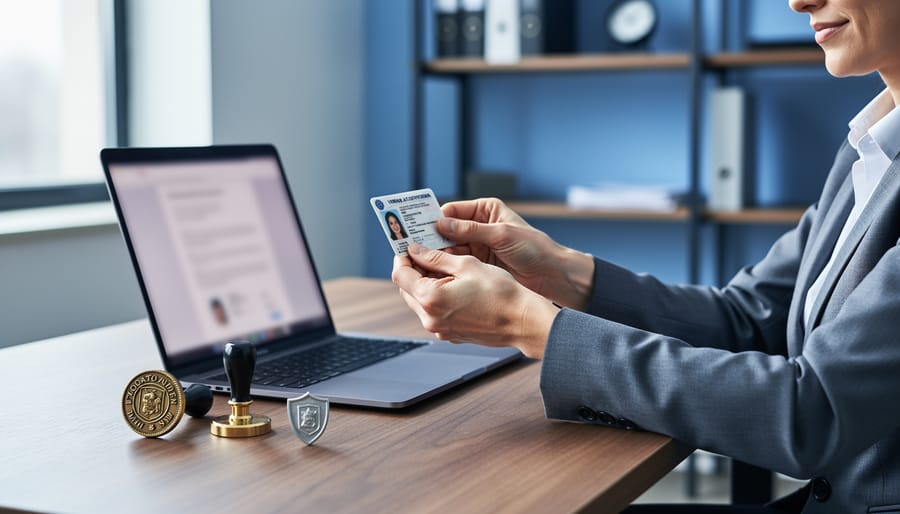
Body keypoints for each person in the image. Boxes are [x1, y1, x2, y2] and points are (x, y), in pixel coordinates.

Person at [391, 0, 900, 512]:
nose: (798, 1)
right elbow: (748, 318)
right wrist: (561, 271)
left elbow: (812, 415)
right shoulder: (871, 148)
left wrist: (528, 324)